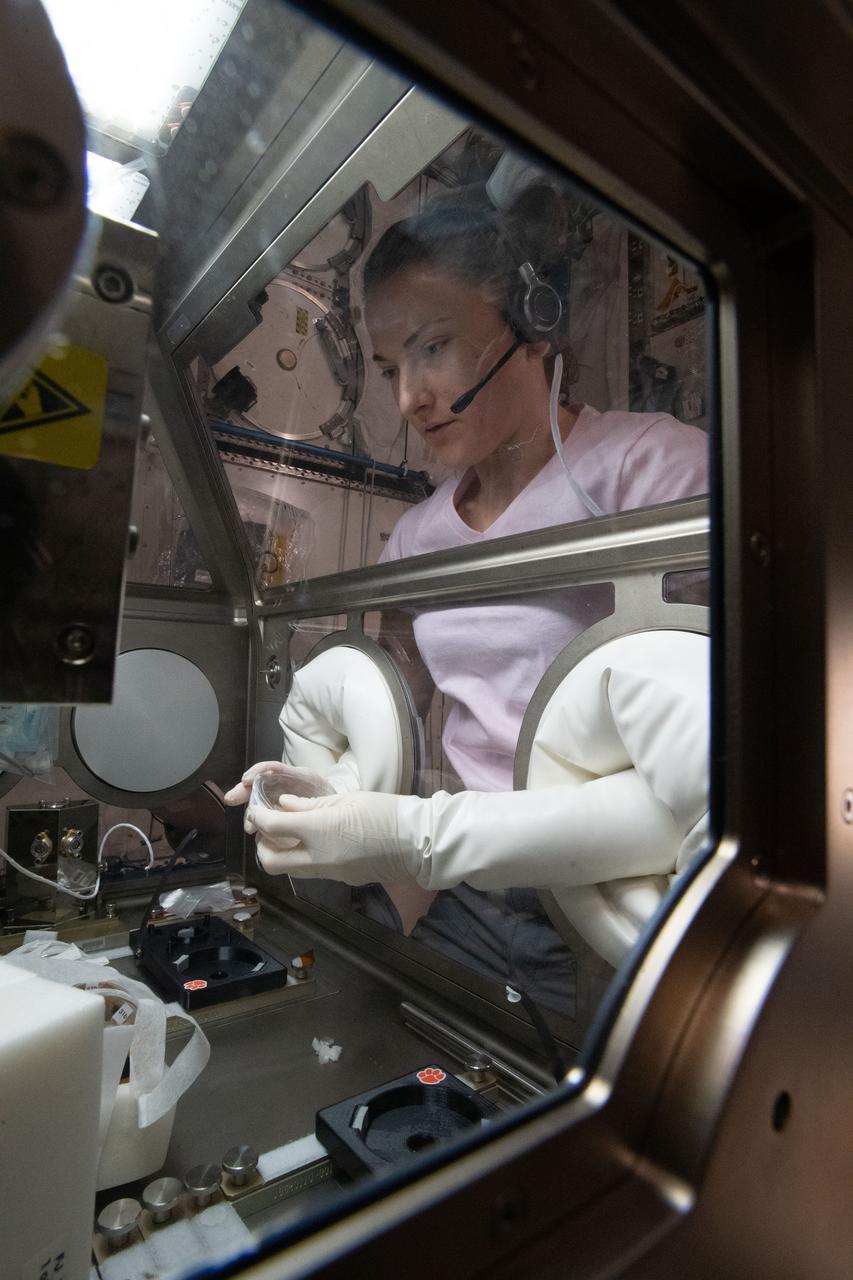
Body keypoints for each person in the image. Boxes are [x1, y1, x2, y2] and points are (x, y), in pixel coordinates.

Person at [225, 165, 708, 1016]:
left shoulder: (649, 467)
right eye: (386, 368)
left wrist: (416, 840)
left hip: (610, 893)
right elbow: (408, 712)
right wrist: (327, 786)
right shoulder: (419, 538)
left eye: (432, 347)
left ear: (530, 320)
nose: (409, 397)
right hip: (464, 891)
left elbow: (715, 728)